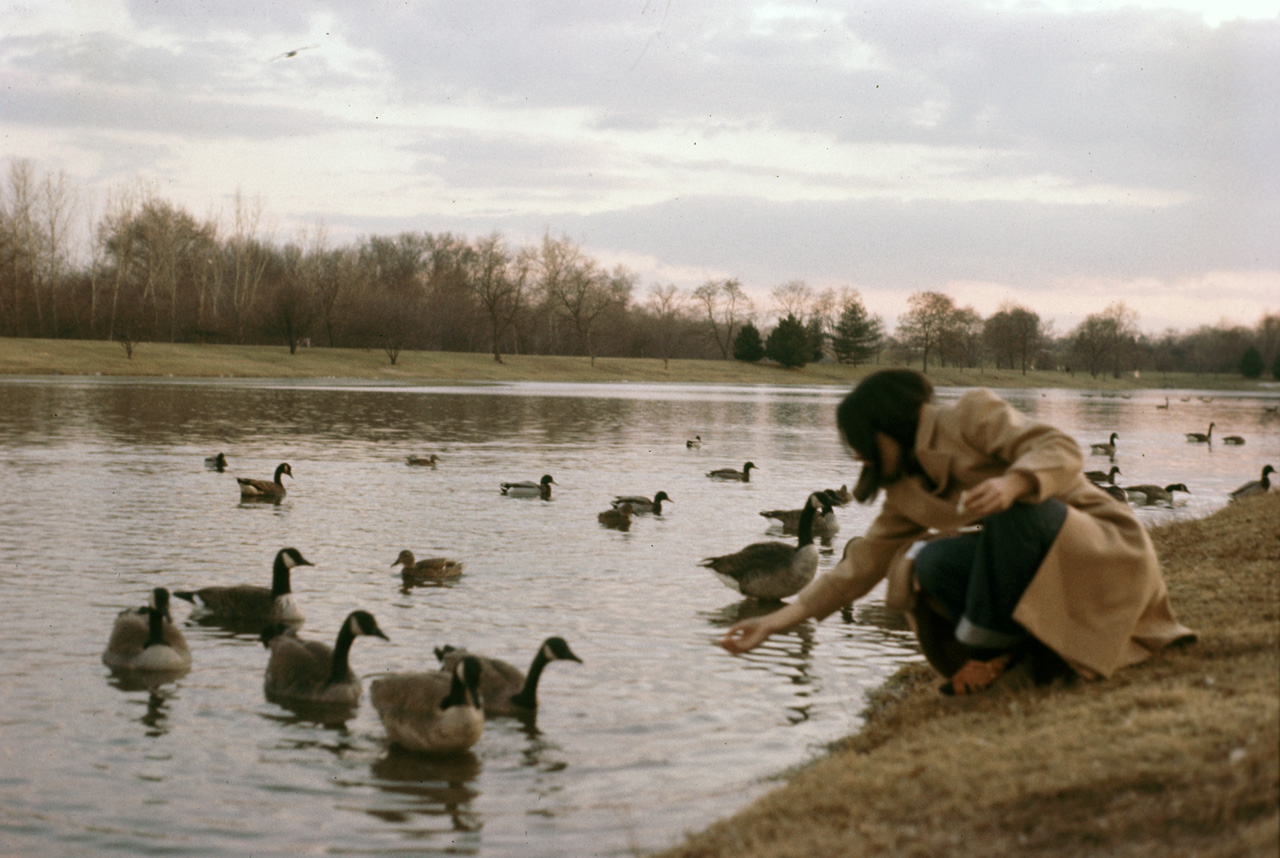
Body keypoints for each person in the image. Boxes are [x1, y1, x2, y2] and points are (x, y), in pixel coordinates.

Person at [721, 369, 1194, 695]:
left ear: (887, 428)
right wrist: (775, 621)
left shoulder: (970, 414)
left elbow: (1060, 446)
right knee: (927, 563)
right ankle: (1020, 652)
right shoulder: (906, 489)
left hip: (1102, 550)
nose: (860, 458)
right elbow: (858, 568)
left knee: (1013, 510)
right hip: (1045, 562)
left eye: (862, 444)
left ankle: (988, 652)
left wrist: (1014, 482)